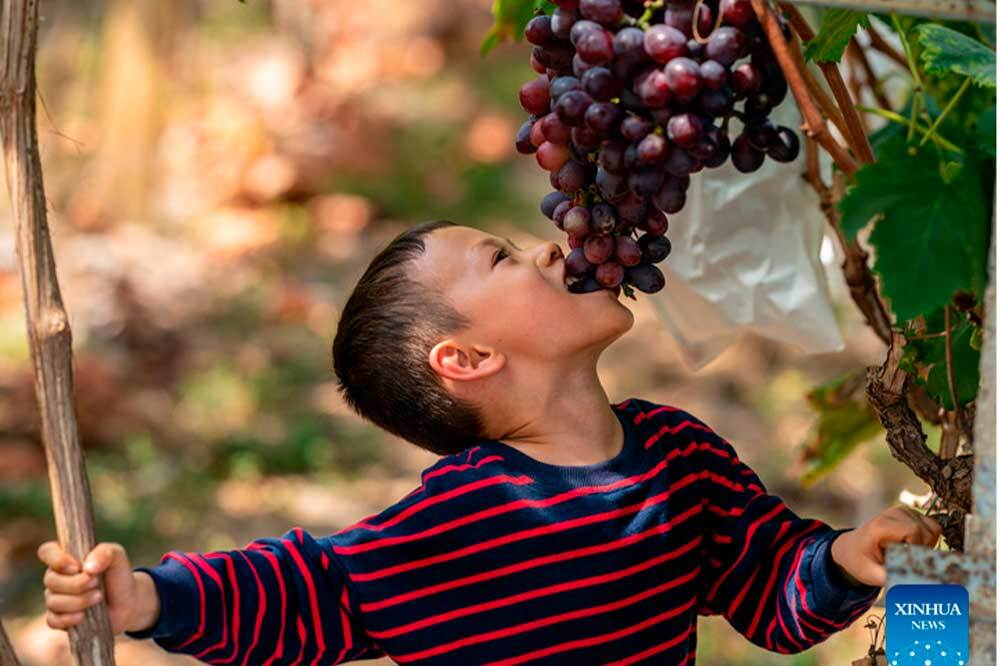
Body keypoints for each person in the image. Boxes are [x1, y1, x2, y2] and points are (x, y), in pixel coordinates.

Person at [39, 221, 942, 664]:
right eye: (506, 258)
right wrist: (149, 600)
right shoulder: (466, 514)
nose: (555, 248)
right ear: (466, 358)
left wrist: (849, 560)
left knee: (944, 612)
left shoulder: (677, 450)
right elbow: (313, 588)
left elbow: (767, 590)